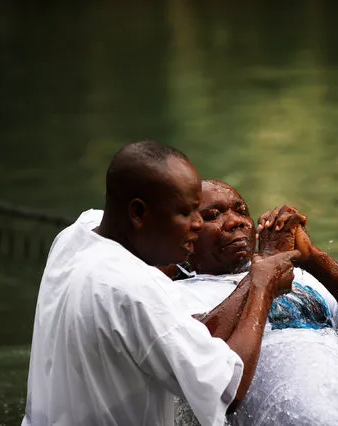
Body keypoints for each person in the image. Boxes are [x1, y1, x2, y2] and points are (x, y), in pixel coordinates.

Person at [22, 142, 299, 426]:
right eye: (186, 213)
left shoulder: (75, 236)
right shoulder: (137, 289)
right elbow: (227, 391)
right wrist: (261, 284)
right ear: (138, 213)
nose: (199, 225)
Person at [174, 180, 338, 425]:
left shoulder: (305, 278)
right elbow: (202, 362)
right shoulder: (177, 294)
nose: (236, 221)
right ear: (187, 237)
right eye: (213, 215)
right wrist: (262, 273)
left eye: (242, 210)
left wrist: (314, 259)